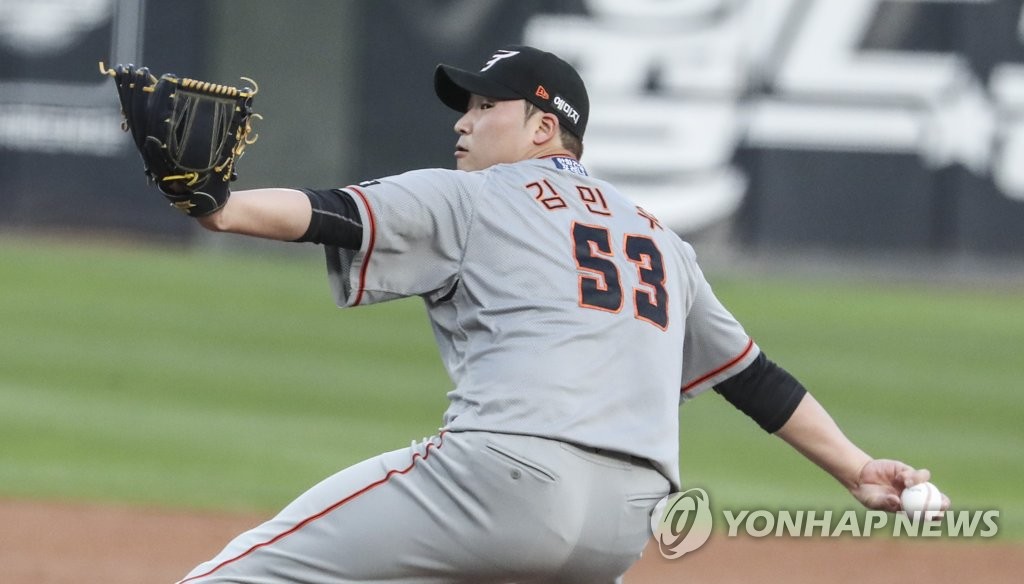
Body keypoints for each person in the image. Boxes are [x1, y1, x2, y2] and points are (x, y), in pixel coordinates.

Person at [174, 45, 947, 583]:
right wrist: (855, 468)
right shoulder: (659, 237)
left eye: (484, 105)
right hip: (627, 519)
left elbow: (327, 212)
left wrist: (218, 206)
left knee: (243, 573)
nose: (462, 122)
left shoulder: (477, 194)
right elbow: (753, 378)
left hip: (500, 481)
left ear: (545, 127)